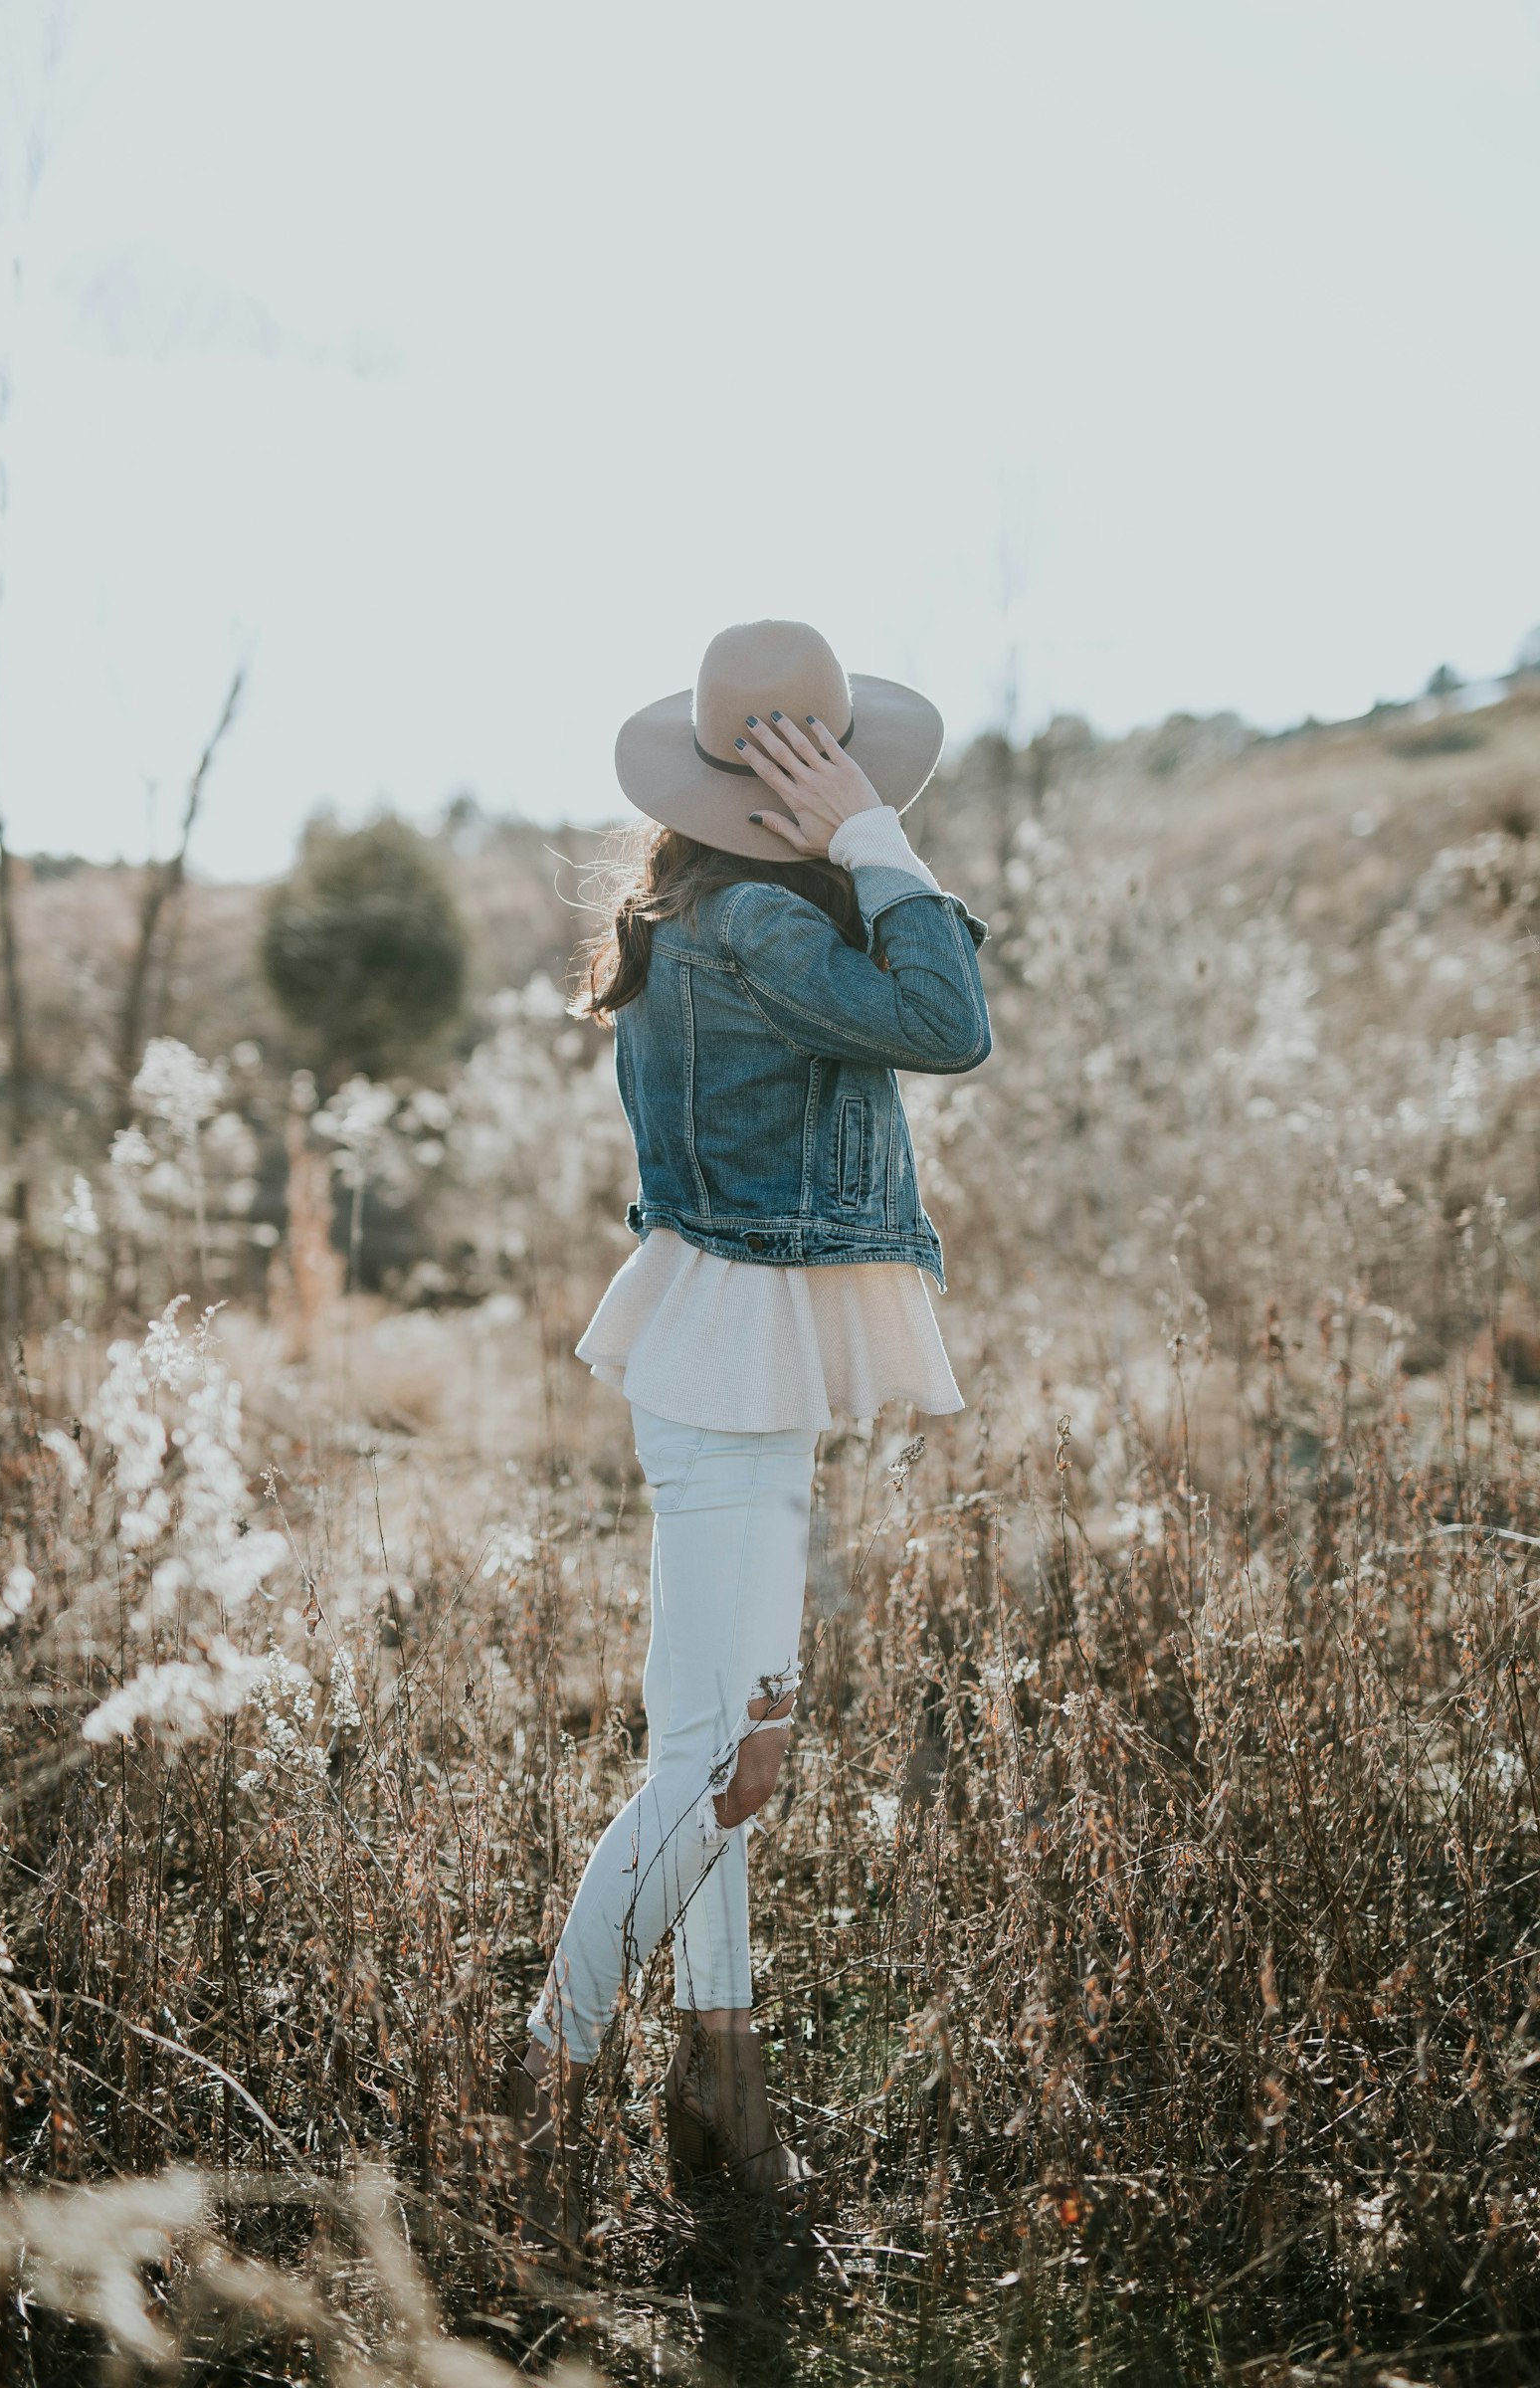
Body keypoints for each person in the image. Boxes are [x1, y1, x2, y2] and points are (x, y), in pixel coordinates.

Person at [506, 619, 992, 2253]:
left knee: (707, 1750)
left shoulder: (711, 918)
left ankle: (725, 2099)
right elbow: (947, 1020)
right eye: (825, 770)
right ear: (776, 788)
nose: (850, 794)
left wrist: (848, 840)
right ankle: (543, 2075)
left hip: (724, 1358)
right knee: (733, 1758)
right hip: (729, 1367)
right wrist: (874, 835)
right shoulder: (771, 920)